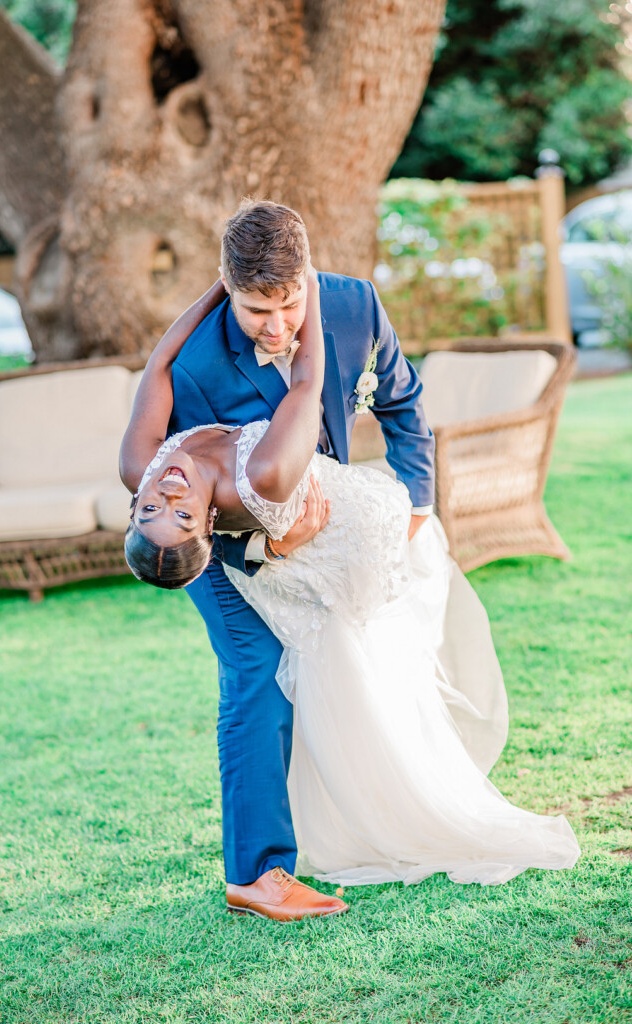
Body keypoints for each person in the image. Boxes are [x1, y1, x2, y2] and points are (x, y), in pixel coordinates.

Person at [120, 201, 580, 920]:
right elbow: (183, 495)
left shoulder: (355, 303)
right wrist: (265, 542)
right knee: (255, 672)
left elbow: (399, 400)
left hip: (332, 529)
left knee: (354, 661)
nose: (276, 327)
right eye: (252, 310)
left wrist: (418, 499)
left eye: (288, 303)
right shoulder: (198, 367)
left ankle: (361, 805)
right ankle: (257, 873)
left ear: (307, 275)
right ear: (225, 286)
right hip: (218, 543)